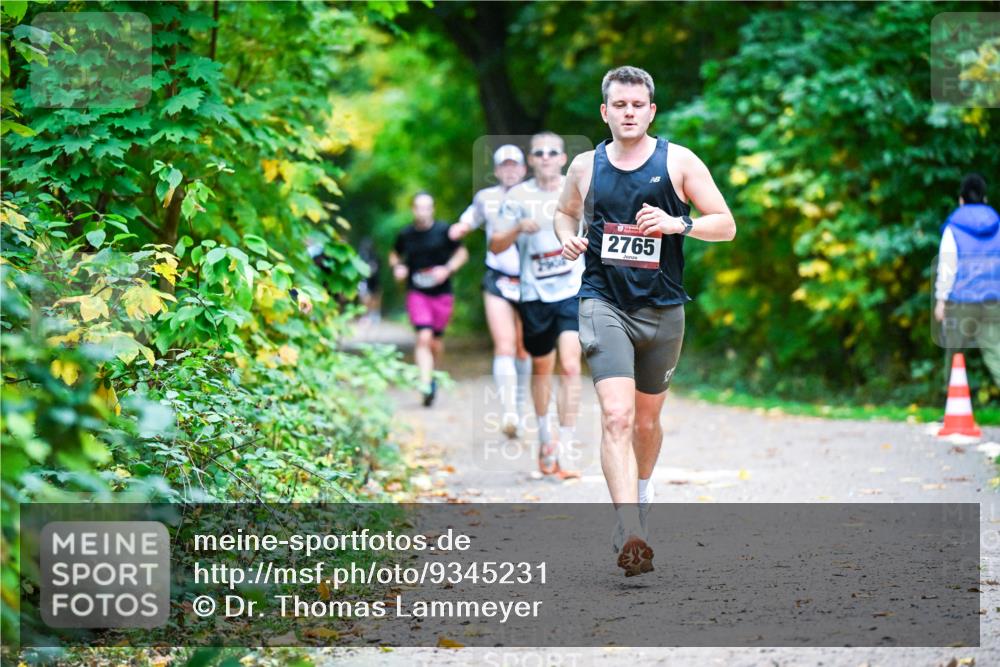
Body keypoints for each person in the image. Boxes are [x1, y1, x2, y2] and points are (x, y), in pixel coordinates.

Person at [555, 66, 736, 576]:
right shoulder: (584, 166)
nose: (629, 112)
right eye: (620, 104)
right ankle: (629, 529)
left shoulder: (677, 161)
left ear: (651, 111)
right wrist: (567, 235)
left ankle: (642, 495)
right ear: (605, 111)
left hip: (663, 308)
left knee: (648, 420)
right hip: (602, 302)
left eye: (638, 104)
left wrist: (679, 224)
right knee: (617, 416)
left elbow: (726, 224)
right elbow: (565, 212)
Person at [493, 132, 584, 479]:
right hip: (534, 295)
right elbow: (497, 245)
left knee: (572, 367)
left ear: (563, 158)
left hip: (572, 290)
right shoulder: (517, 196)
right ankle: (546, 438)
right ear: (531, 160)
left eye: (553, 152)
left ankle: (568, 447)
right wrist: (517, 228)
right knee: (542, 368)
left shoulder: (577, 191)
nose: (546, 157)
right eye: (539, 153)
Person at [450, 145, 532, 437]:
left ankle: (520, 410)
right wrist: (459, 228)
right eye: (504, 165)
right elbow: (469, 218)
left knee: (524, 349)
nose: (510, 170)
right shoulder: (486, 198)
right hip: (497, 277)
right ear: (497, 170)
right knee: (505, 345)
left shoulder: (535, 195)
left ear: (523, 169)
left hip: (530, 278)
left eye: (515, 165)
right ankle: (509, 411)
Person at [389, 192, 469, 406]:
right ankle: (425, 383)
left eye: (427, 207)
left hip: (442, 293)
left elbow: (462, 254)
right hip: (417, 292)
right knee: (423, 337)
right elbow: (394, 254)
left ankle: (432, 374)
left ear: (432, 209)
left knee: (435, 341)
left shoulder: (444, 231)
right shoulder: (405, 234)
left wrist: (447, 269)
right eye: (419, 207)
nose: (423, 211)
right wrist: (398, 267)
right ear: (413, 210)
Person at [934, 173, 1000, 385]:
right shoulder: (998, 226)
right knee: (997, 356)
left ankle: (952, 408)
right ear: (985, 199)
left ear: (961, 200)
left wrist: (941, 299)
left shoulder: (954, 228)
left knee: (954, 354)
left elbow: (947, 265)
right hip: (994, 299)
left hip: (961, 300)